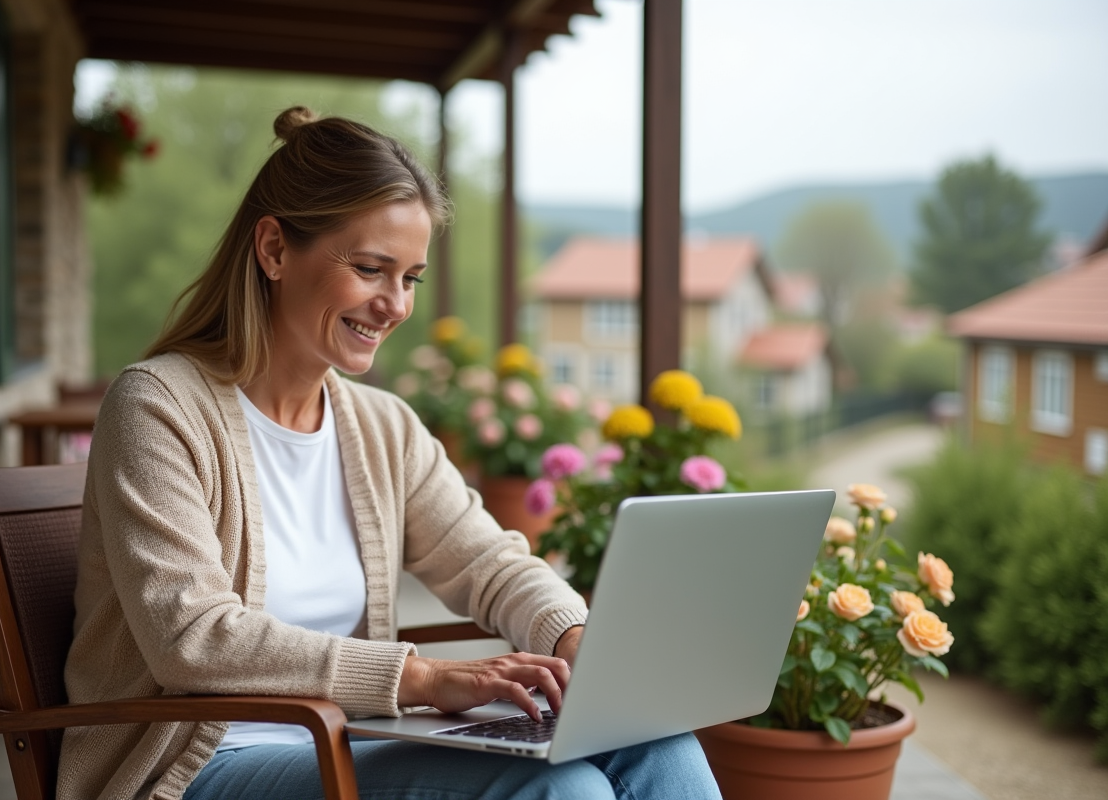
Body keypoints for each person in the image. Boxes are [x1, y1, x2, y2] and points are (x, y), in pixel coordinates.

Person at [59, 106, 722, 800]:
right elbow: (191, 637)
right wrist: (422, 678)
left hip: (345, 741)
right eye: (372, 269)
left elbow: (489, 564)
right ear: (275, 250)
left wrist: (573, 637)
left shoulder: (382, 428)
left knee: (651, 738)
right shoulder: (158, 406)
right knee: (567, 792)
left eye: (411, 278)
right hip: (198, 764)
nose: (395, 305)